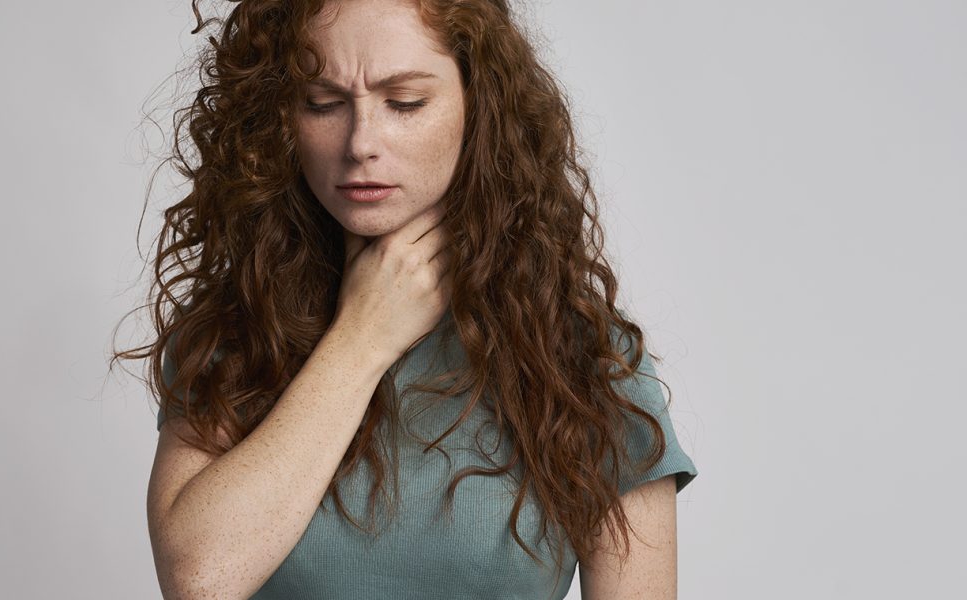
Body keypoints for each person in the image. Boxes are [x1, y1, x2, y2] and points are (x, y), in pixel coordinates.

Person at [117, 0, 699, 597]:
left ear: (480, 107)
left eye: (405, 102)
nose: (360, 143)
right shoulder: (235, 339)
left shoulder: (584, 357)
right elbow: (199, 582)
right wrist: (362, 338)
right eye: (323, 103)